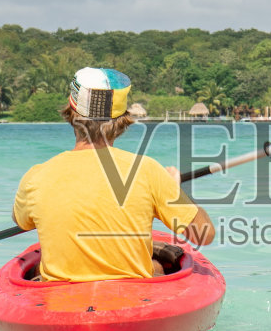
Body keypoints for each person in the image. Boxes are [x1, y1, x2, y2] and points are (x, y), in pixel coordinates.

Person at [11, 67, 215, 282]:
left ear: (71, 111)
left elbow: (21, 221)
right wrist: (174, 189)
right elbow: (204, 234)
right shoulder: (146, 170)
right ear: (122, 121)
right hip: (131, 299)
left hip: (60, 302)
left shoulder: (35, 177)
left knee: (37, 272)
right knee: (157, 267)